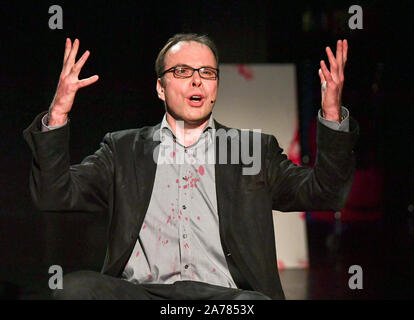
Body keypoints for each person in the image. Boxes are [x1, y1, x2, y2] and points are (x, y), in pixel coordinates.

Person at [23, 33, 358, 300]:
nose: (197, 81)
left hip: (227, 298)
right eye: (182, 71)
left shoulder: (250, 150)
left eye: (207, 73)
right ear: (160, 87)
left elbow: (324, 193)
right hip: (143, 293)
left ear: (215, 87)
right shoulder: (123, 149)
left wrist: (330, 117)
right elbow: (54, 195)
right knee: (75, 290)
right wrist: (57, 115)